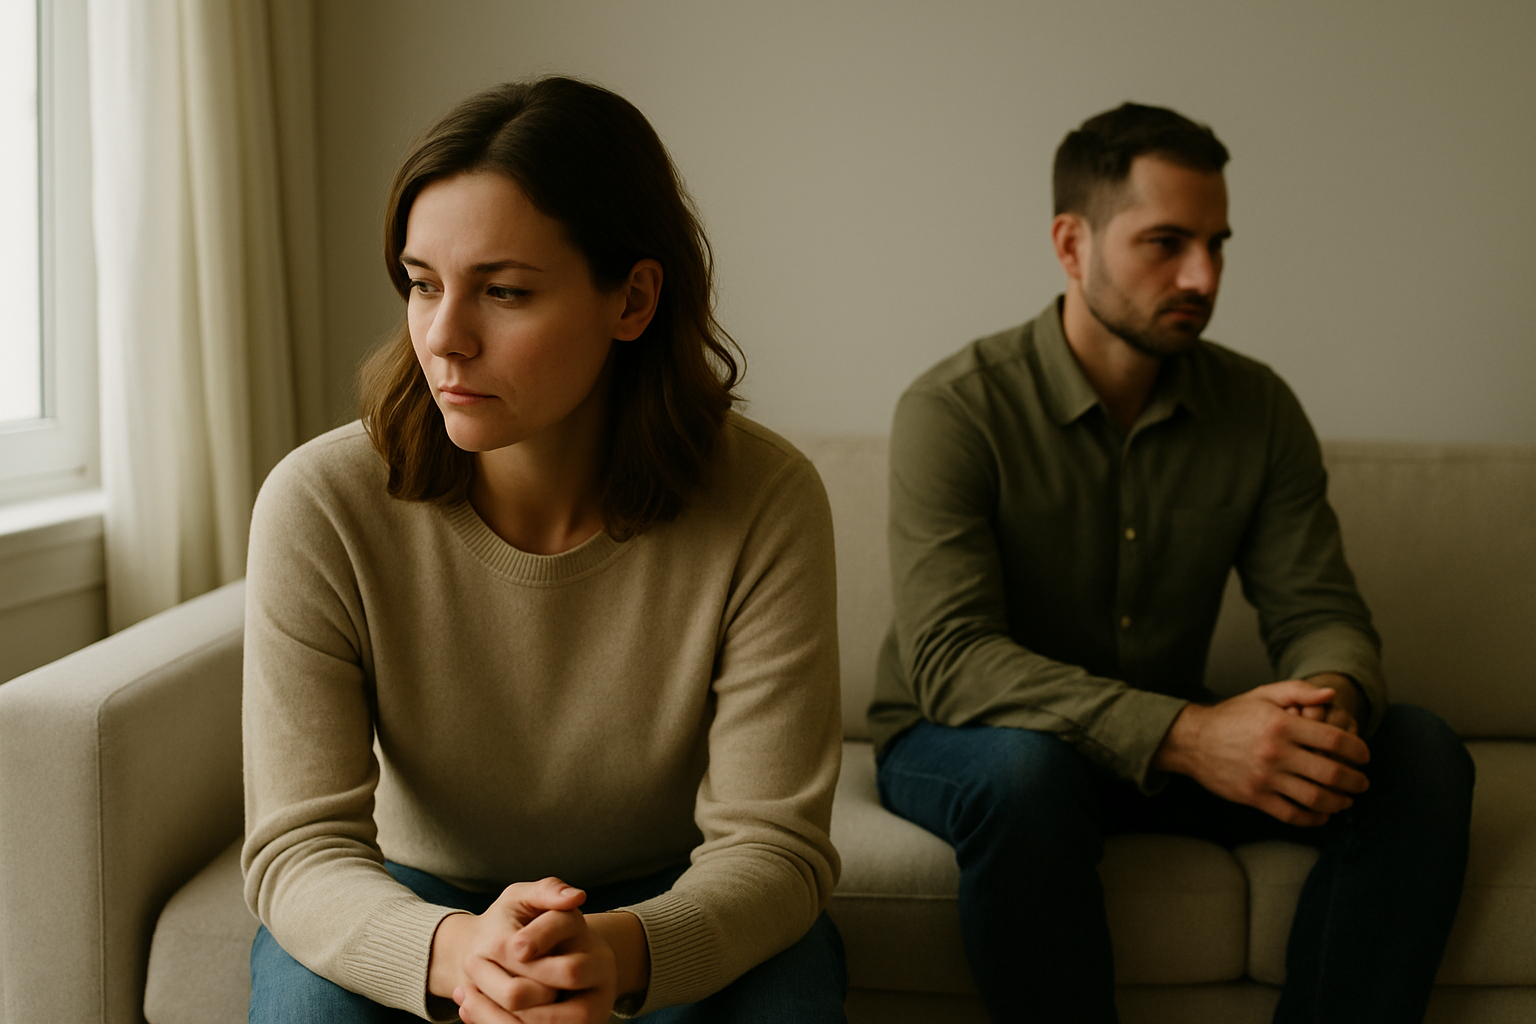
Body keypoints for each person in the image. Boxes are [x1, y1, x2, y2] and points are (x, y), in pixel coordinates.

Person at [242, 77, 847, 1024]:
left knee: (790, 986)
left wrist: (618, 952)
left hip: (667, 895)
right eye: (423, 284)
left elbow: (775, 849)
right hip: (414, 897)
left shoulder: (766, 500)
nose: (445, 339)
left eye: (505, 292)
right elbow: (300, 850)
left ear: (633, 300)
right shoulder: (320, 503)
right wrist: (460, 953)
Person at [869, 102, 1474, 1023]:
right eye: (1166, 243)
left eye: (1216, 244)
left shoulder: (1258, 408)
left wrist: (1327, 702)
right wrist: (1192, 736)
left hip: (1162, 737)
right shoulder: (954, 410)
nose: (1204, 276)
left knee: (1416, 754)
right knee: (1027, 775)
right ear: (1071, 244)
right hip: (968, 736)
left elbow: (1319, 611)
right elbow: (953, 661)